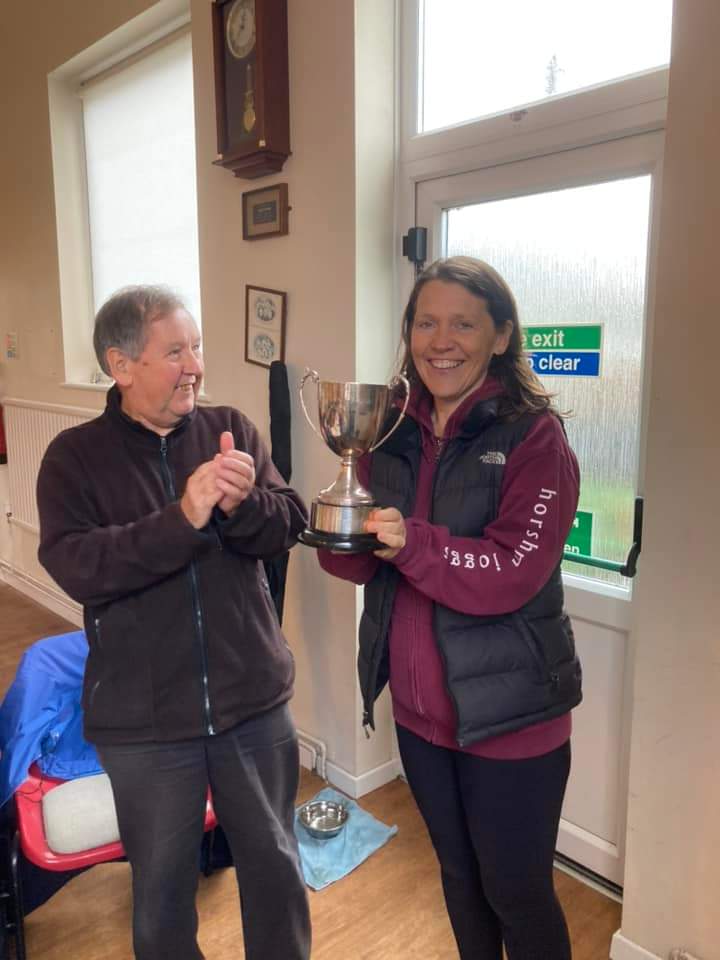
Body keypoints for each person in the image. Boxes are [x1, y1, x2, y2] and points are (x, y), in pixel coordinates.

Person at [36, 286, 311, 960]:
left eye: (197, 347)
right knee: (161, 895)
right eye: (175, 351)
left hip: (252, 703)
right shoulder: (73, 459)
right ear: (121, 365)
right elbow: (80, 567)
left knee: (276, 871)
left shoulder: (231, 427)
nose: (195, 365)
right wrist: (183, 517)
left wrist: (245, 504)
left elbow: (289, 523)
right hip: (146, 723)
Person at [319, 256, 582, 960]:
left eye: (463, 323)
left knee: (517, 895)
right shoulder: (390, 430)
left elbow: (513, 573)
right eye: (426, 322)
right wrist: (339, 526)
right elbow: (353, 564)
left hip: (512, 722)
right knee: (461, 879)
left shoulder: (534, 438)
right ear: (407, 334)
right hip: (421, 718)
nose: (443, 340)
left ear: (500, 336)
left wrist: (412, 544)